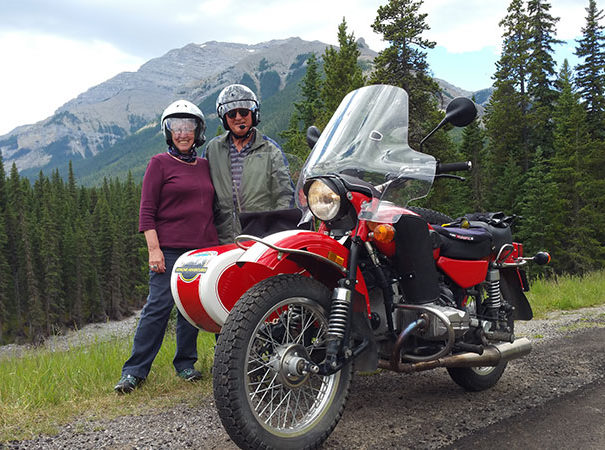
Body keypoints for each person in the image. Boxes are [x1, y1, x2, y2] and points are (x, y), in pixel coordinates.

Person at [114, 100, 219, 394]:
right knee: (158, 308)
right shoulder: (159, 163)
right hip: (169, 249)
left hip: (202, 250)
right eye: (177, 127)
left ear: (198, 131)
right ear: (168, 131)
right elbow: (147, 210)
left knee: (191, 309)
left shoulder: (205, 166)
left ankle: (185, 364)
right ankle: (134, 372)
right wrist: (153, 249)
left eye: (189, 127)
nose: (183, 133)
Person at [204, 84, 295, 244]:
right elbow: (203, 194)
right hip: (223, 240)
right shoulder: (213, 150)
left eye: (244, 112)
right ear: (224, 118)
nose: (238, 117)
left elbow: (284, 195)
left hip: (261, 240)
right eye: (232, 113)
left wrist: (277, 233)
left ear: (253, 114)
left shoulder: (270, 150)